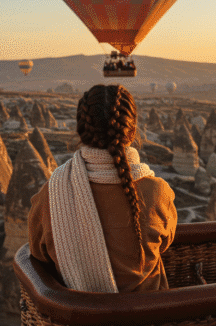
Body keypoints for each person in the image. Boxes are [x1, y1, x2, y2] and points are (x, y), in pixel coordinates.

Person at [28, 85, 177, 293]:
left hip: (78, 321)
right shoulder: (158, 192)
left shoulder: (52, 195)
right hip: (150, 319)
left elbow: (38, 253)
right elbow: (165, 243)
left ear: (81, 132)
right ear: (132, 131)